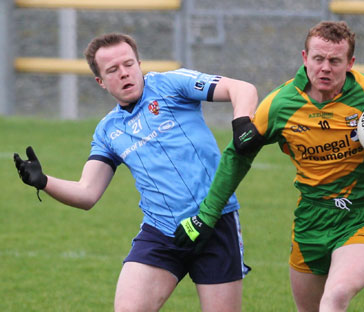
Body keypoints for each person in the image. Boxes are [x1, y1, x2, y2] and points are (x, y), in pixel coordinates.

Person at [174, 21, 364, 311]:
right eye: (318, 59)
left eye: (335, 61)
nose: (325, 68)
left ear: (350, 63)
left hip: (362, 218)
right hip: (310, 222)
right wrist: (206, 216)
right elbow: (238, 156)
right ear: (304, 58)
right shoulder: (281, 104)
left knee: (335, 298)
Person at [13, 33, 261, 312]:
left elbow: (242, 89)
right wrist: (44, 182)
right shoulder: (108, 131)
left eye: (128, 64)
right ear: (101, 83)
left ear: (139, 63)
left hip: (216, 221)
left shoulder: (171, 84)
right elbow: (87, 193)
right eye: (112, 70)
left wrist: (241, 123)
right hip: (161, 232)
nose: (124, 73)